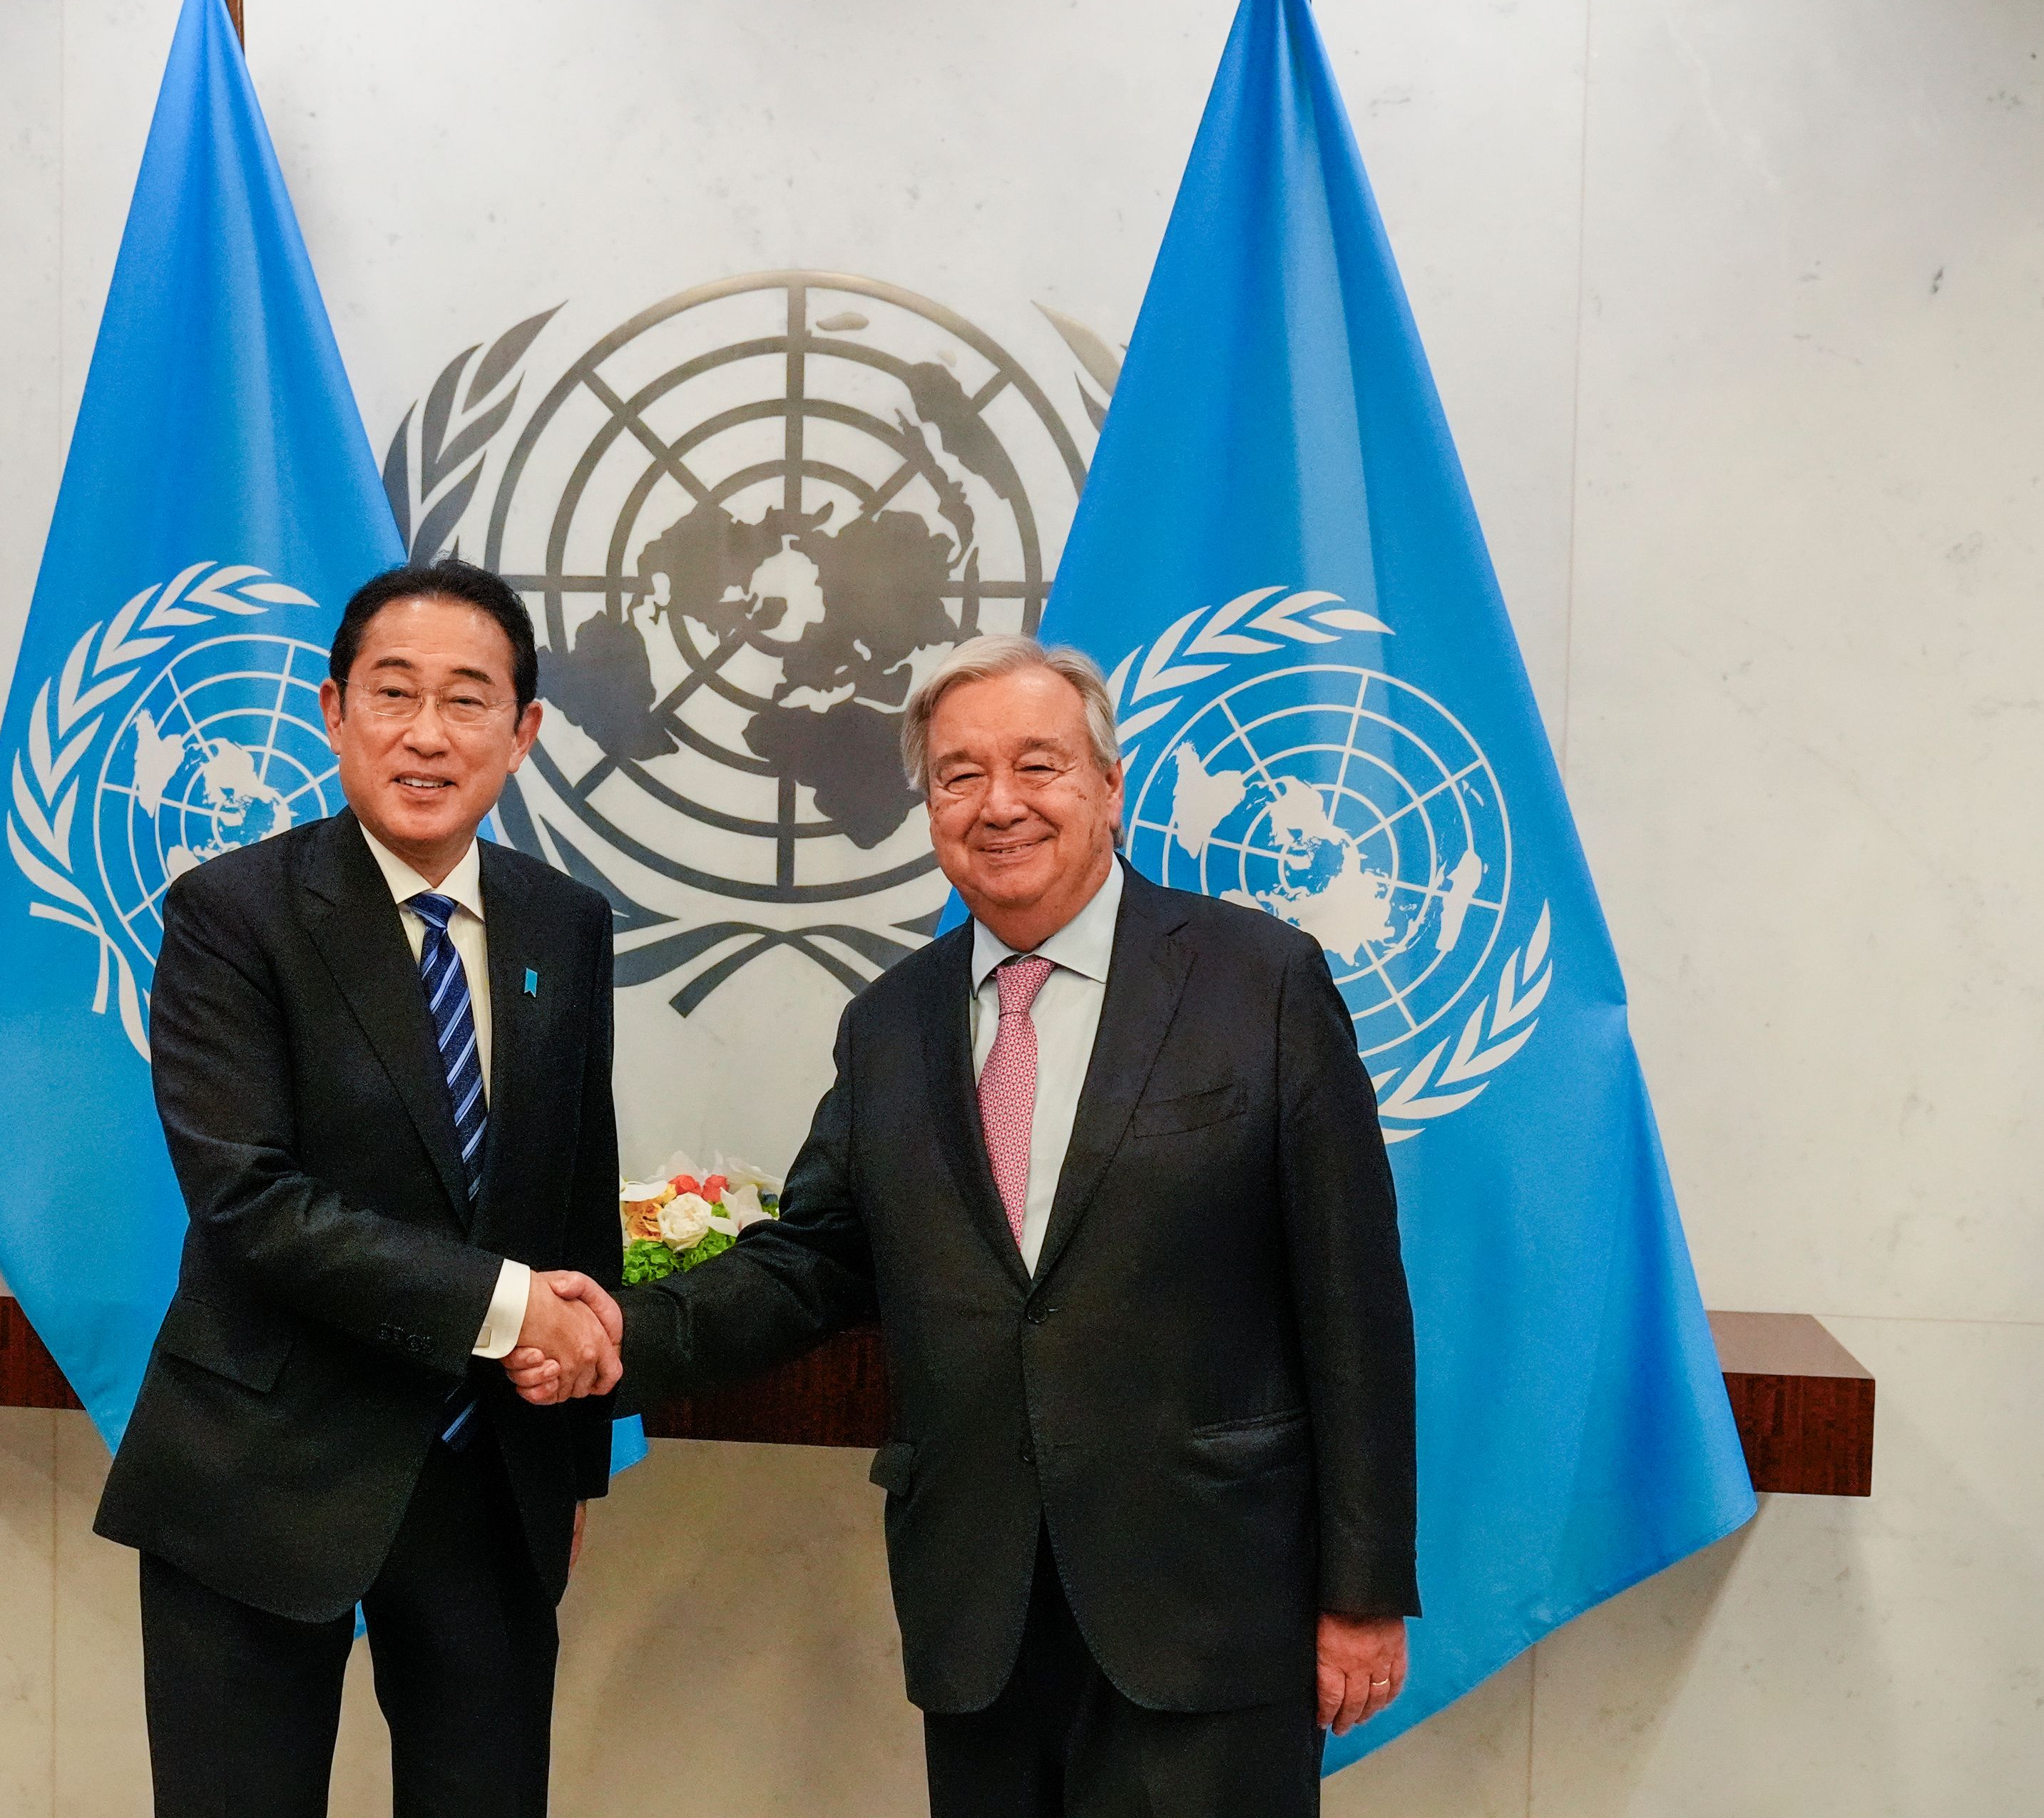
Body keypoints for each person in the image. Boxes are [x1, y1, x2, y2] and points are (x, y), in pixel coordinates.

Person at [516, 635, 1418, 1817]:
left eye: (1038, 767)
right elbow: (815, 1261)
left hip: (1210, 1600)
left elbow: (1352, 1297)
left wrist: (1361, 1590)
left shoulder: (1261, 980)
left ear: (1108, 784)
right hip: (980, 1603)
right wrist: (618, 1334)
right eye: (958, 775)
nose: (1000, 805)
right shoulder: (893, 1022)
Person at [96, 560, 624, 1818]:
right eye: (394, 695)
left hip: (490, 1481)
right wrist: (507, 1309)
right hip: (262, 1475)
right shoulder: (234, 914)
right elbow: (251, 1201)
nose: (428, 735)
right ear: (333, 712)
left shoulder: (566, 923)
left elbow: (572, 1191)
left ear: (524, 732)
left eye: (468, 699)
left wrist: (576, 1452)